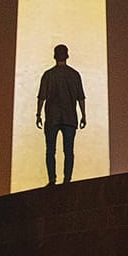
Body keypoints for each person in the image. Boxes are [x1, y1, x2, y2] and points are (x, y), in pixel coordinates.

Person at [34, 43, 87, 185]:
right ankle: (67, 180)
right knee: (68, 151)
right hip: (70, 118)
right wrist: (83, 115)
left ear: (54, 56)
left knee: (50, 151)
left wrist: (38, 114)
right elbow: (81, 97)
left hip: (52, 118)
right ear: (67, 55)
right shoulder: (74, 75)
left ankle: (52, 180)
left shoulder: (48, 75)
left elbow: (41, 97)